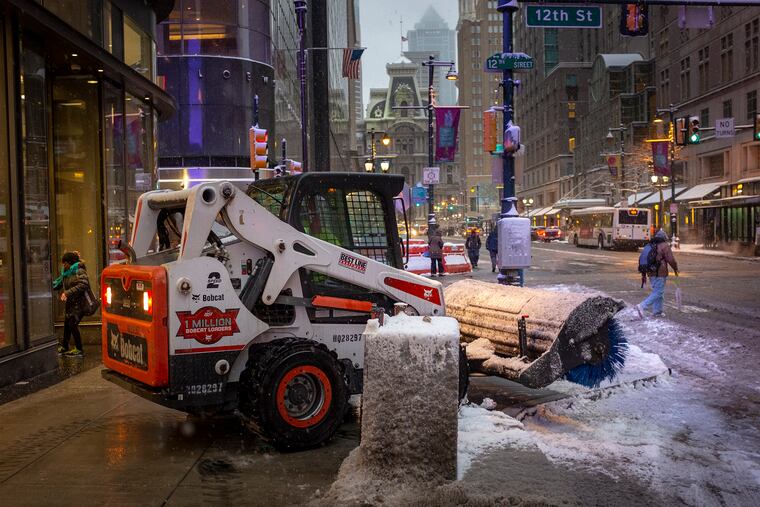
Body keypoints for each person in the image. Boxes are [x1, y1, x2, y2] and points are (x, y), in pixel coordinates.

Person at [53, 251, 91, 356]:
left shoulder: (79, 270)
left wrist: (67, 293)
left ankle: (79, 349)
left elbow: (84, 284)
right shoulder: (67, 272)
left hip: (79, 302)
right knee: (67, 324)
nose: (63, 265)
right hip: (71, 302)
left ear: (70, 262)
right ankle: (65, 346)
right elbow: (60, 282)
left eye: (65, 263)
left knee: (72, 324)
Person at [636, 230, 678, 319]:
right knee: (658, 292)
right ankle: (642, 306)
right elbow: (671, 259)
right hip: (660, 272)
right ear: (664, 237)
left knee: (658, 291)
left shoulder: (650, 245)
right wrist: (675, 268)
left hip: (650, 272)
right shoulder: (664, 245)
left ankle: (657, 311)